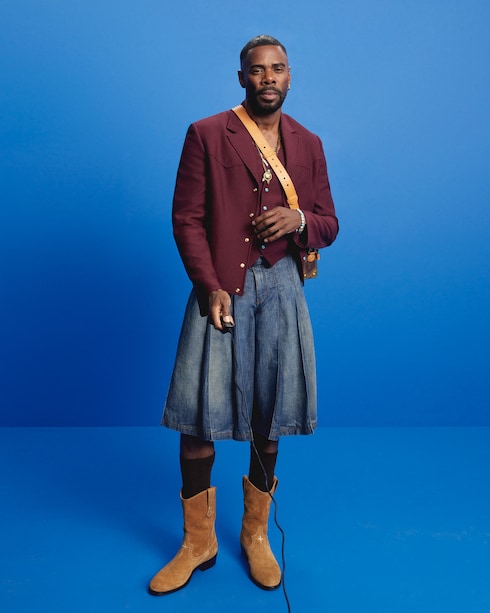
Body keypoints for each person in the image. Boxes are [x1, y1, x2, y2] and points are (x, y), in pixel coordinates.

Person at [148, 34, 338, 596]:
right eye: (257, 70)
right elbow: (186, 219)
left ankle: (255, 534)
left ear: (290, 76)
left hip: (282, 288)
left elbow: (329, 223)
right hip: (220, 289)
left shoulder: (309, 143)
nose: (268, 78)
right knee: (198, 414)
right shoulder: (207, 133)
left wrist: (298, 221)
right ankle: (197, 542)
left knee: (269, 413)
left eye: (278, 69)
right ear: (242, 77)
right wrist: (208, 286)